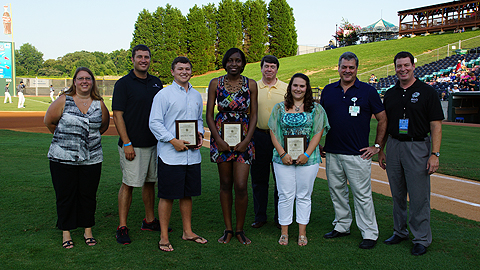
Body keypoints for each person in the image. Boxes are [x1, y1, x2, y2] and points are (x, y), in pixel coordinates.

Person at [379, 51, 444, 256]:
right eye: (399, 66)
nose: (403, 69)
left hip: (417, 146)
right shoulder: (390, 93)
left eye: (406, 65)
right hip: (395, 145)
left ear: (413, 66)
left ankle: (421, 238)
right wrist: (381, 149)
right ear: (395, 68)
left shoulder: (427, 91)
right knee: (397, 194)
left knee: (418, 196)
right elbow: (385, 124)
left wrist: (435, 154)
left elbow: (436, 125)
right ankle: (400, 231)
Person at [320, 52, 387, 250]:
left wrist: (377, 146)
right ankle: (342, 226)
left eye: (351, 67)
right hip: (332, 152)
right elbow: (319, 119)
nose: (347, 71)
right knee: (337, 192)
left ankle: (369, 233)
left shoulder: (367, 91)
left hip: (358, 154)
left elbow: (382, 118)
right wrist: (318, 143)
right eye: (344, 67)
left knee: (362, 194)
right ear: (338, 68)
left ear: (357, 68)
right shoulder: (328, 90)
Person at [44, 67, 110, 249]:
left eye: (88, 78)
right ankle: (66, 232)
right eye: (80, 78)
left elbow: (103, 126)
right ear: (74, 82)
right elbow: (49, 122)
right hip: (63, 158)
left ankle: (87, 230)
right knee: (66, 195)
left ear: (92, 82)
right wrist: (68, 140)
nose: (84, 82)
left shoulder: (99, 103)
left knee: (88, 195)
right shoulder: (64, 100)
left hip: (92, 158)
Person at [149, 56, 207, 252]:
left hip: (191, 155)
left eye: (187, 68)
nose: (184, 71)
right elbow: (154, 122)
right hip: (170, 154)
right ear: (173, 72)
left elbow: (198, 119)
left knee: (187, 195)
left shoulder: (197, 95)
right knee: (167, 196)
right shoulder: (163, 95)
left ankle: (187, 231)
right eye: (180, 69)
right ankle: (164, 236)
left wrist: (199, 134)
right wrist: (172, 140)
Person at [112, 44, 165, 245]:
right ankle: (122, 226)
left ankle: (149, 220)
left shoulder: (156, 83)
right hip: (132, 144)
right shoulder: (123, 83)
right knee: (129, 183)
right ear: (133, 59)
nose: (144, 60)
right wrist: (127, 143)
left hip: (154, 143)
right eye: (140, 57)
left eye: (147, 57)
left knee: (150, 182)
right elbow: (117, 115)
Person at [269, 73, 329, 246]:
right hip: (282, 159)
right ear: (290, 87)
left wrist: (307, 154)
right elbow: (273, 131)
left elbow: (318, 132)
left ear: (307, 88)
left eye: (302, 86)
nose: (298, 89)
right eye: (295, 85)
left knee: (304, 195)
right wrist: (282, 153)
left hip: (308, 159)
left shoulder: (316, 109)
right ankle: (284, 232)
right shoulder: (279, 108)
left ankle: (302, 233)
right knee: (285, 195)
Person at [206, 48, 258, 245]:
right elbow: (209, 115)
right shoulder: (215, 83)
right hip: (221, 138)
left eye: (238, 61)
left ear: (243, 64)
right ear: (225, 63)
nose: (234, 64)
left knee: (241, 185)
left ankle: (240, 229)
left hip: (244, 137)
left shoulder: (251, 84)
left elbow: (254, 115)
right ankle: (228, 229)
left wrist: (247, 141)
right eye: (230, 60)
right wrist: (218, 139)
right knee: (225, 184)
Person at [250, 55, 287, 229]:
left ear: (277, 69)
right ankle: (260, 216)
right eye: (266, 66)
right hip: (259, 136)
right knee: (259, 179)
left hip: (279, 138)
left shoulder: (286, 88)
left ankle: (281, 217)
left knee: (281, 179)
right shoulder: (253, 87)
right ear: (261, 68)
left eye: (272, 66)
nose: (269, 69)